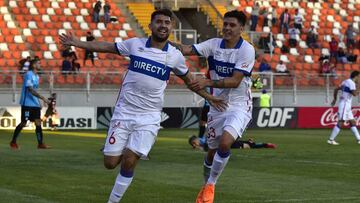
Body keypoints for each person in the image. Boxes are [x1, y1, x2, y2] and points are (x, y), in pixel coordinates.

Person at [60, 9, 226, 203]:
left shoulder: (174, 56)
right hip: (124, 112)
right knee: (110, 163)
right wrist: (76, 43)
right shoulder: (134, 45)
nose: (163, 25)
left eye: (167, 22)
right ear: (150, 25)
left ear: (172, 27)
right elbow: (106, 46)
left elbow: (190, 80)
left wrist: (209, 97)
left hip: (149, 117)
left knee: (130, 160)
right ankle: (125, 147)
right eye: (159, 22)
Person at [170, 10, 255, 203]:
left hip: (239, 105)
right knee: (211, 150)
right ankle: (205, 184)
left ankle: (210, 185)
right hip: (217, 105)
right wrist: (162, 43)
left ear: (241, 28)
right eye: (225, 24)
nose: (227, 28)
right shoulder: (213, 44)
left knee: (225, 143)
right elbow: (186, 49)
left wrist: (206, 83)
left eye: (232, 25)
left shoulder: (246, 50)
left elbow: (234, 81)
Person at [10, 59, 50, 150]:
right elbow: (30, 89)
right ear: (34, 65)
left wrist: (38, 102)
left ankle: (40, 144)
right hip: (27, 103)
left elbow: (34, 90)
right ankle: (13, 142)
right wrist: (42, 98)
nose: (40, 65)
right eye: (39, 63)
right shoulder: (28, 74)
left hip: (34, 104)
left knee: (38, 122)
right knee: (24, 123)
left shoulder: (37, 76)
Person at [327, 70, 360, 145]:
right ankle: (331, 140)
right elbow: (354, 94)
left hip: (346, 104)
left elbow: (336, 89)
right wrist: (359, 86)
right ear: (356, 76)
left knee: (352, 122)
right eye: (359, 76)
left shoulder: (345, 81)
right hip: (345, 104)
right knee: (341, 121)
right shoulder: (352, 83)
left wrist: (335, 99)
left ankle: (359, 139)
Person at [189, 136, 276, 150]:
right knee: (247, 145)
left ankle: (265, 145)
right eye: (195, 142)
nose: (197, 141)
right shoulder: (202, 144)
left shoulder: (203, 141)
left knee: (248, 145)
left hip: (226, 142)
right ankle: (265, 145)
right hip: (227, 143)